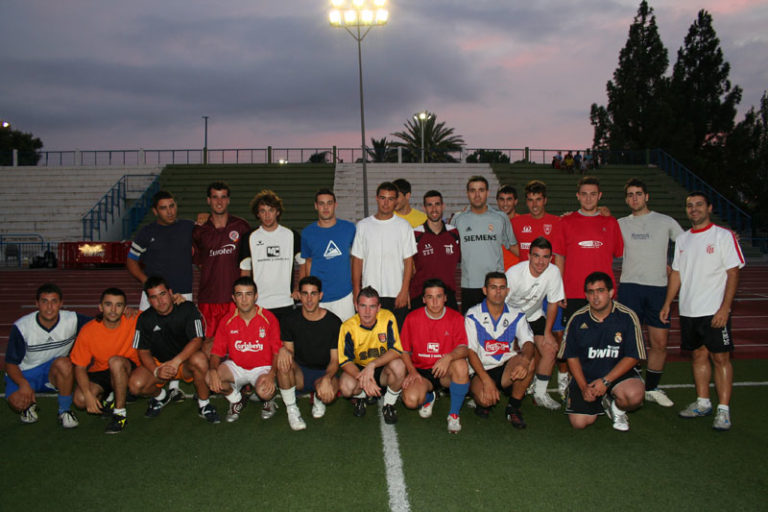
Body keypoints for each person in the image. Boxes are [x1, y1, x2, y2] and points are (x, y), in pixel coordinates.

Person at [660, 191, 744, 431]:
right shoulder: (683, 239)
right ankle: (703, 402)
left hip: (714, 310)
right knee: (698, 355)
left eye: (698, 205)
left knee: (720, 358)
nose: (694, 209)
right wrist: (668, 303)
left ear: (709, 208)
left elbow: (733, 272)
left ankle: (723, 410)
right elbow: (677, 273)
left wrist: (725, 308)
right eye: (689, 205)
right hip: (689, 310)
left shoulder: (723, 236)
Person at [618, 178, 684, 407]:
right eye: (630, 194)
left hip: (658, 289)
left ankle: (653, 387)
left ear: (647, 196)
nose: (634, 198)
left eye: (638, 193)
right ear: (626, 199)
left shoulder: (665, 221)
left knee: (659, 342)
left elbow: (689, 243)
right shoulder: (620, 223)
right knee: (629, 342)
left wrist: (724, 235)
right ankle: (631, 382)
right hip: (629, 287)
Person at [558, 272, 646, 431]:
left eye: (600, 291)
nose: (595, 297)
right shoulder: (577, 319)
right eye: (591, 292)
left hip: (616, 375)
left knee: (634, 395)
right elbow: (571, 356)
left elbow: (633, 356)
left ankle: (618, 409)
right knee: (579, 423)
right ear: (586, 295)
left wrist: (605, 381)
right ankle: (601, 399)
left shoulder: (627, 317)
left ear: (611, 293)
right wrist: (584, 387)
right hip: (588, 377)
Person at [129, 276, 219, 423]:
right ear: (149, 300)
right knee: (135, 386)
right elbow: (143, 351)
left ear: (170, 292)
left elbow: (197, 340)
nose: (160, 301)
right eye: (154, 297)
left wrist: (176, 362)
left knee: (200, 360)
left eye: (163, 294)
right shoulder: (145, 319)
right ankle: (160, 396)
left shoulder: (187, 308)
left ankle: (204, 404)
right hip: (160, 364)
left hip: (183, 363)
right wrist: (156, 370)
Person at [511, 180, 569, 397]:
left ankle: (560, 381)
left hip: (548, 290)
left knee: (555, 337)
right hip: (525, 291)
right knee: (527, 340)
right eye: (530, 200)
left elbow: (560, 255)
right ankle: (529, 377)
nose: (535, 205)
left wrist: (558, 289)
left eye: (538, 200)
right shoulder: (517, 222)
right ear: (526, 201)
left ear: (545, 200)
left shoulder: (558, 221)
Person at [4, 283, 89, 428]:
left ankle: (64, 411)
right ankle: (28, 406)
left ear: (61, 303)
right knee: (17, 403)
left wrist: (127, 314)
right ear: (37, 304)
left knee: (65, 363)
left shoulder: (72, 319)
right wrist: (23, 384)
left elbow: (101, 324)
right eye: (44, 301)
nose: (49, 307)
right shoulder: (22, 326)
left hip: (53, 371)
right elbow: (10, 364)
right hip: (26, 372)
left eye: (54, 301)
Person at [206, 278, 285, 425]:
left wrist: (271, 374)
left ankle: (269, 400)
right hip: (237, 367)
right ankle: (236, 399)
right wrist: (212, 370)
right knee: (210, 378)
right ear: (233, 298)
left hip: (262, 368)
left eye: (248, 294)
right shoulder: (227, 320)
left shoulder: (268, 318)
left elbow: (276, 352)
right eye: (239, 294)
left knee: (264, 391)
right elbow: (216, 352)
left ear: (255, 296)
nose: (244, 299)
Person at [465, 272, 534, 429]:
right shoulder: (473, 314)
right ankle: (482, 403)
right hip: (482, 369)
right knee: (485, 399)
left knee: (530, 361)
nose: (498, 292)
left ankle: (513, 407)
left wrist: (524, 361)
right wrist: (486, 380)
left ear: (507, 291)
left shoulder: (517, 314)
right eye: (493, 287)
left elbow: (529, 343)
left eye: (502, 288)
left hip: (506, 367)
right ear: (484, 290)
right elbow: (470, 352)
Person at [400, 279, 470, 433]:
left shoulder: (456, 318)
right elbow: (404, 351)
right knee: (410, 401)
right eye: (430, 297)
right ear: (424, 299)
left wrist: (448, 357)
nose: (435, 302)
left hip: (445, 371)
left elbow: (464, 348)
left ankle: (453, 414)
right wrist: (412, 371)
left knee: (461, 365)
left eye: (439, 296)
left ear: (445, 298)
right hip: (422, 372)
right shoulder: (412, 318)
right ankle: (429, 397)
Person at [504, 237, 565, 410]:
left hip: (533, 315)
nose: (540, 261)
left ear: (551, 258)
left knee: (550, 347)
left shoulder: (553, 272)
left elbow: (553, 303)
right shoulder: (514, 274)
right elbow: (500, 305)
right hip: (511, 317)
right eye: (536, 256)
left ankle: (539, 393)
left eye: (545, 257)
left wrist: (547, 332)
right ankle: (487, 385)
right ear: (529, 256)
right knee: (497, 351)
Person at [70, 287, 140, 434]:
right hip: (102, 370)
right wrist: (89, 395)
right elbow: (80, 367)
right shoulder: (89, 330)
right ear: (100, 307)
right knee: (80, 399)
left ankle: (120, 414)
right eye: (108, 304)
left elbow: (162, 311)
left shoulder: (134, 318)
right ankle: (108, 397)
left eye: (119, 305)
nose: (113, 309)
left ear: (125, 308)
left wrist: (178, 300)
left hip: (127, 368)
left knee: (116, 362)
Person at [192, 182, 251, 347]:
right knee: (209, 346)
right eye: (215, 197)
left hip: (235, 299)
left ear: (229, 200)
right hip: (209, 300)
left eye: (223, 197)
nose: (219, 202)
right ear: (208, 200)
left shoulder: (242, 227)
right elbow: (199, 263)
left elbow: (249, 263)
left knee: (238, 345)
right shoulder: (198, 230)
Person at [276, 276, 342, 424]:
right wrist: (284, 351)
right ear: (299, 295)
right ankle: (292, 409)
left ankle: (319, 398)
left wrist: (327, 378)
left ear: (320, 296)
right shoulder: (290, 319)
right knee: (283, 360)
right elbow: (289, 352)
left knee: (329, 393)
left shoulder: (334, 322)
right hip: (300, 373)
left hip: (324, 371)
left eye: (313, 293)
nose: (309, 299)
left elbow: (335, 360)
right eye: (305, 293)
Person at [351, 182, 417, 329]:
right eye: (382, 198)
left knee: (396, 340)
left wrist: (404, 290)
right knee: (371, 337)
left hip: (396, 294)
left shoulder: (404, 226)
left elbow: (408, 262)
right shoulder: (363, 225)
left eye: (391, 199)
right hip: (370, 295)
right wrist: (356, 289)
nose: (386, 203)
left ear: (396, 201)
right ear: (376, 198)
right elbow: (357, 260)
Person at [560, 176, 623, 326]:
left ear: (599, 195)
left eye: (593, 194)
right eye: (584, 194)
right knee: (575, 341)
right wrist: (560, 290)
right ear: (578, 196)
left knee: (603, 339)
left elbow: (618, 252)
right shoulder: (565, 222)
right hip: (573, 291)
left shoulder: (611, 222)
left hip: (603, 291)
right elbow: (559, 258)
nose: (588, 199)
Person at [338, 286, 406, 424]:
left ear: (379, 307)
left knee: (399, 365)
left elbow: (396, 350)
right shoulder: (347, 327)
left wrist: (372, 365)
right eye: (363, 306)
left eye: (372, 306)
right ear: (356, 306)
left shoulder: (388, 318)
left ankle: (388, 404)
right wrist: (365, 379)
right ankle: (362, 396)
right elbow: (345, 361)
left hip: (382, 367)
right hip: (359, 369)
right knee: (345, 387)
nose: (367, 312)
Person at [453, 176, 518, 313]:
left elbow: (513, 247)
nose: (477, 195)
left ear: (488, 192)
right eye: (473, 191)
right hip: (469, 285)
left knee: (497, 329)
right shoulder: (458, 219)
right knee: (471, 330)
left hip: (495, 286)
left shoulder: (500, 218)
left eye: (481, 190)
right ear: (467, 193)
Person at [239, 189, 300, 326]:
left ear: (277, 212)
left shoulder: (291, 235)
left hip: (286, 302)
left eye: (271, 210)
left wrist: (298, 288)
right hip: (259, 304)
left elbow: (304, 263)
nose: (267, 215)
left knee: (286, 346)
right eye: (262, 211)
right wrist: (247, 298)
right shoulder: (249, 238)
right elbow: (245, 272)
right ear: (257, 214)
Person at [127, 190, 194, 311]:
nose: (170, 212)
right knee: (147, 328)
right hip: (154, 293)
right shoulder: (146, 232)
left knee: (182, 329)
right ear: (155, 211)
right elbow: (131, 260)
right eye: (163, 208)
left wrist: (205, 218)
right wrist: (146, 281)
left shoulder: (189, 227)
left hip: (183, 292)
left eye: (172, 206)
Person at [300, 188, 356, 321]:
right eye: (321, 203)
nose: (325, 207)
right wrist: (307, 293)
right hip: (318, 297)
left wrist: (355, 287)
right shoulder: (307, 233)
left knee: (346, 338)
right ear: (315, 206)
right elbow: (308, 262)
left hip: (344, 295)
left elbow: (356, 259)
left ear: (335, 205)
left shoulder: (349, 228)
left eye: (329, 203)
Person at [410, 190, 461, 311]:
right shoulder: (416, 234)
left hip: (447, 295)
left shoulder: (453, 233)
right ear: (424, 208)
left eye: (437, 204)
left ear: (443, 206)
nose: (434, 209)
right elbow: (408, 267)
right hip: (421, 295)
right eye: (430, 205)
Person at [496, 184, 521, 270]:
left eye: (509, 199)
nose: (505, 204)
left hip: (517, 273)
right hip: (496, 274)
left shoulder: (523, 223)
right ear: (497, 201)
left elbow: (526, 253)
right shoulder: (491, 223)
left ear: (515, 201)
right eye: (502, 199)